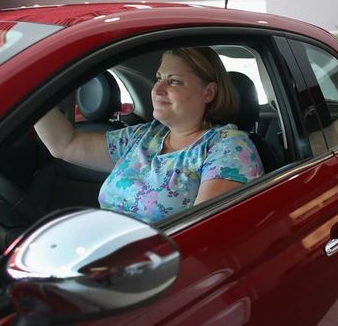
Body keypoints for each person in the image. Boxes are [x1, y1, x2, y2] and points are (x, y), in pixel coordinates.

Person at [34, 46, 264, 223]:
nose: (157, 89)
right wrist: (31, 85)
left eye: (173, 81)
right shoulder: (146, 135)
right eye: (158, 78)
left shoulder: (228, 147)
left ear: (208, 92)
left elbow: (202, 232)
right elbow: (66, 144)